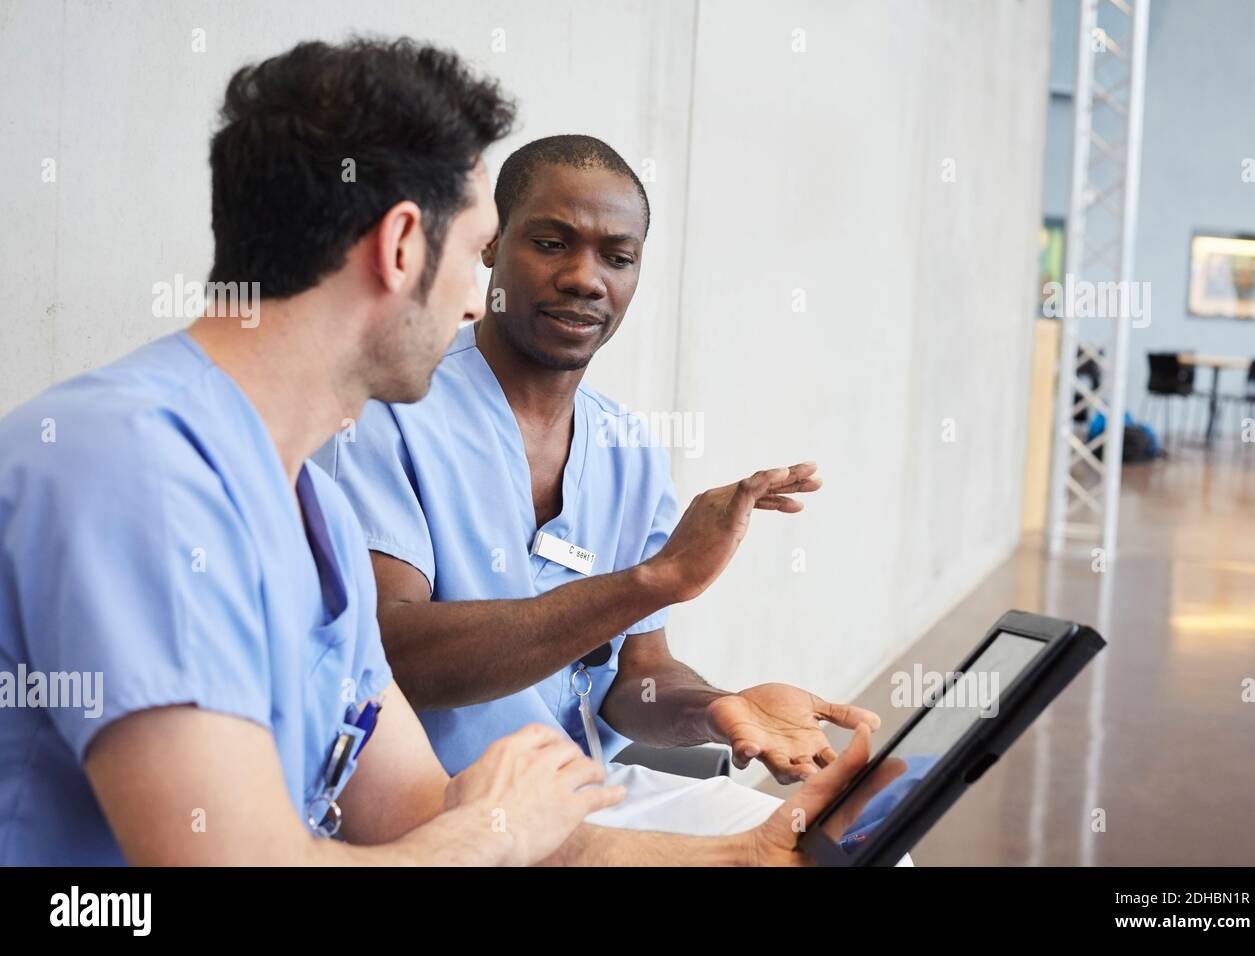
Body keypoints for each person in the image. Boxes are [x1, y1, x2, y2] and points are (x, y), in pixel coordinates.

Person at [0, 39, 876, 866]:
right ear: (401, 247)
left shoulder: (312, 516)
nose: (472, 300)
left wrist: (740, 854)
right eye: (474, 252)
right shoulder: (132, 474)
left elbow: (423, 807)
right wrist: (496, 835)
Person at [315, 135, 908, 856]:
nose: (584, 278)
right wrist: (654, 580)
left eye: (616, 257)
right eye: (551, 242)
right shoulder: (394, 412)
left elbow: (638, 676)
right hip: (434, 812)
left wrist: (720, 708)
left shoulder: (627, 448)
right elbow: (391, 656)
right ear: (492, 248)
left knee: (857, 853)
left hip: (587, 791)